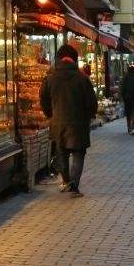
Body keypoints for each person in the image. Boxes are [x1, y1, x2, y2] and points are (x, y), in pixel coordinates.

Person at [39, 44, 97, 197]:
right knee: (78, 154)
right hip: (79, 124)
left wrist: (50, 115)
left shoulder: (50, 79)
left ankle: (67, 181)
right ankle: (74, 186)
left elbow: (43, 99)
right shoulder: (82, 79)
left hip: (57, 122)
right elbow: (92, 103)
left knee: (61, 153)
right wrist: (88, 116)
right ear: (74, 59)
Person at [120, 64, 134, 136]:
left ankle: (129, 128)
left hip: (127, 98)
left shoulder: (125, 77)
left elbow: (122, 88)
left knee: (128, 113)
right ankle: (133, 127)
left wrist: (123, 96)